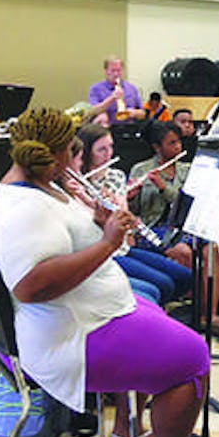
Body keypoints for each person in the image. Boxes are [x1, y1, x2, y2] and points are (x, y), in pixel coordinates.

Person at [0, 108, 219, 437]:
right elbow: (30, 286)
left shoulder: (40, 186)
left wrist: (97, 219)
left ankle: (128, 431)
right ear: (56, 155)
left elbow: (63, 236)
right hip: (67, 338)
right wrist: (107, 242)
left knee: (155, 312)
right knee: (193, 357)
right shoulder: (23, 208)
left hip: (85, 316)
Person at [75, 123, 193, 307]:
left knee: (183, 276)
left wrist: (121, 202)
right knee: (163, 284)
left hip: (122, 245)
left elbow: (123, 214)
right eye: (101, 150)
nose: (109, 154)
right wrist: (90, 201)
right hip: (102, 250)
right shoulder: (76, 183)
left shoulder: (116, 176)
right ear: (87, 152)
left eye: (111, 147)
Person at [127, 121, 219, 335]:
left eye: (178, 142)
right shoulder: (140, 169)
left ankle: (210, 314)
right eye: (171, 143)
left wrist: (164, 188)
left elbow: (187, 204)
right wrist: (131, 196)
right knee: (183, 252)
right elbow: (134, 211)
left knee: (211, 250)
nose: (178, 147)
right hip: (152, 229)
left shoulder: (188, 170)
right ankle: (187, 310)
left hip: (183, 226)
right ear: (157, 147)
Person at [87, 56, 145, 124]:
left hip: (129, 127)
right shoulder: (96, 89)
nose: (116, 74)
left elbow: (143, 113)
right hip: (107, 128)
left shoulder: (131, 88)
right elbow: (93, 111)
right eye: (113, 70)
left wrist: (134, 113)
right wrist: (112, 98)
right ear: (106, 71)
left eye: (118, 70)